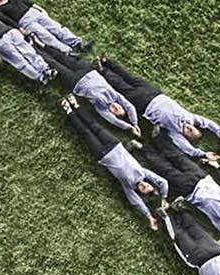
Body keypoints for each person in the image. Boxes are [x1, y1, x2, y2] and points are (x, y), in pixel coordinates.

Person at [94, 56, 220, 162]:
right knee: (130, 77)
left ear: (186, 136)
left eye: (190, 133)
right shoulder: (191, 118)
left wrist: (203, 154)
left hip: (144, 104)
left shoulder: (175, 133)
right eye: (194, 129)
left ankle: (101, 70)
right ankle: (108, 61)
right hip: (155, 92)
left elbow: (187, 149)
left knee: (122, 87)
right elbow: (211, 124)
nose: (190, 129)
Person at [133, 140, 220, 248]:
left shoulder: (219, 220)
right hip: (201, 176)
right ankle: (158, 138)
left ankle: (142, 148)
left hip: (189, 189)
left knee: (165, 168)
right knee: (179, 157)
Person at [60, 96, 167, 229]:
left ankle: (69, 111)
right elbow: (162, 181)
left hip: (103, 154)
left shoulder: (129, 186)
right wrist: (164, 197)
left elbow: (137, 202)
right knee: (94, 125)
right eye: (148, 185)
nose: (144, 185)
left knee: (86, 132)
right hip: (114, 144)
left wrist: (149, 217)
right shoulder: (142, 173)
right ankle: (76, 105)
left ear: (141, 193)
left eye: (144, 189)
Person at [39, 46, 138, 134]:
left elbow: (114, 121)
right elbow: (130, 107)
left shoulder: (102, 108)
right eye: (119, 108)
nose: (116, 107)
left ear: (112, 114)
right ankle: (42, 44)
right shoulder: (115, 96)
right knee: (62, 57)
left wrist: (130, 127)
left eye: (115, 111)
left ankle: (36, 50)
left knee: (55, 64)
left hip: (76, 82)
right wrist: (135, 123)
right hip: (88, 71)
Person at [0, 0, 91, 54]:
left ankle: (78, 43)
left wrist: (40, 8)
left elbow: (27, 2)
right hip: (25, 22)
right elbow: (8, 21)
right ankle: (67, 51)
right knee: (47, 37)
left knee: (57, 28)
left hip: (34, 12)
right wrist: (20, 29)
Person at [0, 4, 53, 83]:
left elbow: (6, 20)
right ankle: (38, 76)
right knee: (19, 60)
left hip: (11, 33)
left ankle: (45, 69)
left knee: (29, 51)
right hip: (0, 43)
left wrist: (19, 28)